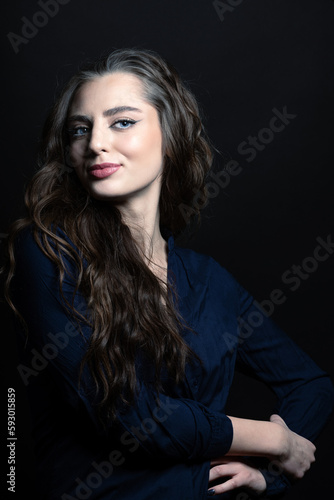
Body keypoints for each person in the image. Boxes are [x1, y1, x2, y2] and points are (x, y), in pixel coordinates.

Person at [4, 48, 334, 500]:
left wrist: (267, 475)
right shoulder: (48, 252)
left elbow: (310, 383)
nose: (96, 142)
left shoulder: (209, 281)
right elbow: (129, 416)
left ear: (170, 133)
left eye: (122, 122)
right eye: (80, 129)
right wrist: (276, 441)